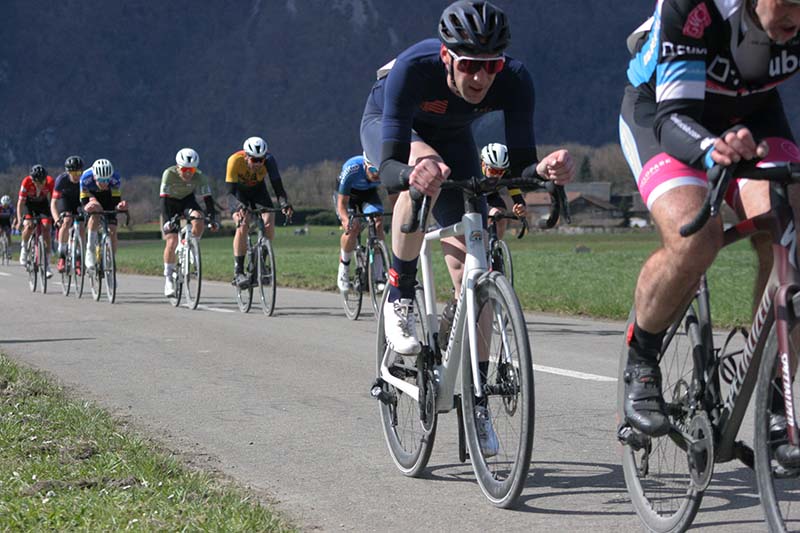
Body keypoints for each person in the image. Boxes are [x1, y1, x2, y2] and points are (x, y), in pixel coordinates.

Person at [618, 0, 800, 437]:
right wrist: (710, 150)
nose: (797, 16)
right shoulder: (693, 7)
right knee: (697, 237)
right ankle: (642, 358)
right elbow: (673, 118)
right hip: (664, 113)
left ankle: (777, 397)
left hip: (754, 115)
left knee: (790, 227)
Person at [360, 0, 574, 357]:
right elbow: (391, 167)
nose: (481, 78)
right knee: (427, 168)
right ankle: (399, 294)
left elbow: (522, 165)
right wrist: (413, 174)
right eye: (470, 65)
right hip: (389, 127)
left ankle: (481, 384)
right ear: (446, 56)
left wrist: (542, 170)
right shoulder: (413, 69)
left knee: (472, 271)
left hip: (453, 138)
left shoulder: (515, 79)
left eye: (491, 66)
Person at [226, 136, 293, 288]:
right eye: (254, 160)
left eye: (260, 160)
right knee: (242, 224)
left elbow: (277, 186)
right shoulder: (234, 161)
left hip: (258, 191)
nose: (258, 164)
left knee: (269, 220)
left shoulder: (269, 160)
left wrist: (284, 203)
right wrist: (239, 207)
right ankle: (238, 271)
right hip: (238, 194)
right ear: (246, 156)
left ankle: (260, 264)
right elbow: (229, 193)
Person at [160, 148, 219, 297]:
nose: (188, 173)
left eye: (191, 170)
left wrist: (212, 219)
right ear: (178, 167)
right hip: (170, 204)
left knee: (198, 218)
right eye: (185, 170)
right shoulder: (169, 174)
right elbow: (164, 200)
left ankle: (192, 244)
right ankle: (168, 279)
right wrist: (167, 221)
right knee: (172, 241)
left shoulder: (200, 176)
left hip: (187, 201)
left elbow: (208, 199)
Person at [335, 153, 385, 292]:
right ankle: (344, 268)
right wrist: (346, 220)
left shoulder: (386, 171)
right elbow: (342, 204)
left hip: (368, 194)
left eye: (379, 171)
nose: (376, 175)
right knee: (353, 226)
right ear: (365, 165)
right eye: (373, 170)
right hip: (347, 195)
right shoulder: (353, 169)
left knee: (378, 222)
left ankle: (379, 275)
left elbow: (395, 200)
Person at [80, 159, 128, 271]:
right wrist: (87, 206)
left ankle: (110, 259)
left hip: (107, 197)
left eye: (107, 180)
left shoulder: (115, 179)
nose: (104, 183)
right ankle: (90, 248)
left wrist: (120, 206)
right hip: (91, 195)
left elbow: (115, 200)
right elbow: (84, 200)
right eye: (101, 180)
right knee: (95, 213)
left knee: (112, 229)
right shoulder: (85, 178)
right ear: (95, 177)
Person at [481, 142, 527, 242]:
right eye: (493, 171)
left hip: (491, 197)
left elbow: (516, 194)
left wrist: (521, 207)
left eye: (500, 172)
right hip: (470, 197)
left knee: (500, 217)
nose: (497, 175)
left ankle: (495, 246)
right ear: (483, 164)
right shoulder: (474, 171)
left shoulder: (507, 174)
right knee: (493, 213)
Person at [17, 164, 55, 276]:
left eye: (42, 182)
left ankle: (47, 263)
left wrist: (54, 216)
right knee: (29, 226)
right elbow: (20, 203)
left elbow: (54, 200)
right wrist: (19, 220)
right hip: (29, 205)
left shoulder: (50, 182)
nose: (40, 184)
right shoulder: (26, 182)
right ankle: (24, 248)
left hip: (43, 205)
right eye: (38, 182)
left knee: (47, 229)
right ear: (33, 180)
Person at [51, 155, 85, 273]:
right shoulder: (61, 180)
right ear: (67, 172)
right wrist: (56, 219)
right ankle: (62, 256)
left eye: (78, 172)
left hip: (79, 201)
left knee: (81, 226)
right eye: (73, 173)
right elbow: (53, 203)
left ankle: (79, 257)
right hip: (65, 201)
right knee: (67, 221)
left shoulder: (84, 179)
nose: (76, 176)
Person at [0, 195, 16, 260]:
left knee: (8, 235)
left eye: (7, 205)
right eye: (4, 205)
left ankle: (9, 250)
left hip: (7, 222)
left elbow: (14, 217)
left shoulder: (11, 208)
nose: (5, 206)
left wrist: (13, 224)